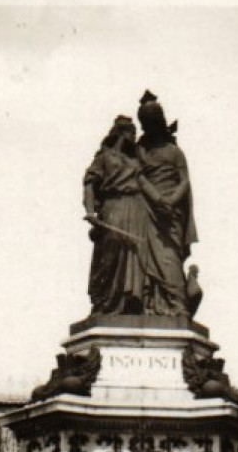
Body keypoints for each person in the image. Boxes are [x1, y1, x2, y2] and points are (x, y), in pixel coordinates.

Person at [82, 115, 155, 316]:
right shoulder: (104, 157)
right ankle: (104, 302)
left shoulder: (136, 160)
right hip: (113, 205)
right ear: (122, 133)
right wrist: (90, 211)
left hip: (137, 207)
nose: (135, 136)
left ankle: (131, 301)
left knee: (136, 254)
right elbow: (89, 183)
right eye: (132, 132)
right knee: (110, 252)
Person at [134, 91, 197, 317]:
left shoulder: (175, 152)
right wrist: (158, 199)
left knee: (169, 258)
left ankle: (178, 304)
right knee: (147, 257)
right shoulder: (140, 151)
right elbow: (137, 176)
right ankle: (150, 303)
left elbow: (185, 181)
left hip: (171, 213)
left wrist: (170, 201)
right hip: (149, 209)